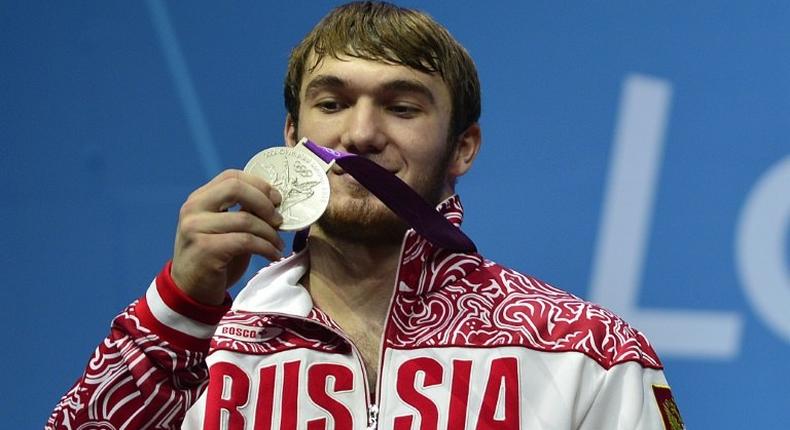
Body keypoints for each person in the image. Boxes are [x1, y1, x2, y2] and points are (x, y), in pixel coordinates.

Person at [47, 2, 684, 429]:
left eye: (403, 108)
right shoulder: (201, 359)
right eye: (332, 103)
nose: (359, 135)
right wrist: (178, 310)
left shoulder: (586, 353)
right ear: (292, 135)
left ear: (462, 147)